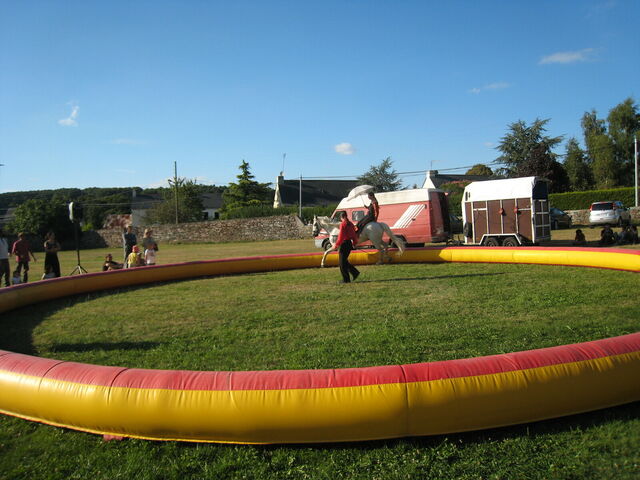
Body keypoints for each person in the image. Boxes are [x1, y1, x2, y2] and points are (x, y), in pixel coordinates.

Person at [332, 211, 360, 283]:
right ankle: (355, 272)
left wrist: (336, 245)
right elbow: (354, 235)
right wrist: (354, 243)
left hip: (344, 244)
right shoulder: (350, 224)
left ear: (341, 217)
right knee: (344, 261)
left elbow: (341, 236)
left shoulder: (343, 224)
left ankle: (346, 279)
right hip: (349, 244)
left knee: (341, 264)